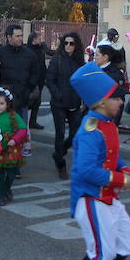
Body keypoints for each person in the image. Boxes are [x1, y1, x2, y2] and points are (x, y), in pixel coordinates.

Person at [63, 61, 130, 260]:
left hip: (107, 195)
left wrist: (126, 169)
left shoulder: (107, 123)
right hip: (90, 197)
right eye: (116, 98)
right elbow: (86, 170)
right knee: (101, 251)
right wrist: (121, 179)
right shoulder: (90, 130)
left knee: (125, 242)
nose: (120, 102)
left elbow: (110, 156)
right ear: (100, 103)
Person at [46, 32, 84, 180]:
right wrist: (58, 95)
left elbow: (83, 81)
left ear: (76, 45)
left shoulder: (80, 61)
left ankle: (58, 153)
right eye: (66, 43)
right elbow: (50, 80)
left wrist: (82, 99)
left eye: (71, 43)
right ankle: (61, 164)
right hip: (59, 104)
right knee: (60, 133)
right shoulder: (57, 60)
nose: (68, 46)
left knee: (75, 134)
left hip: (74, 102)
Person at [0, 25, 38, 157]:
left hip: (23, 99)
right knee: (5, 130)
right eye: (17, 36)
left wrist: (29, 89)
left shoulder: (29, 53)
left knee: (21, 130)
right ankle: (4, 157)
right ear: (9, 37)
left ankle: (17, 159)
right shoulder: (0, 52)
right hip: (5, 101)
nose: (21, 38)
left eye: (21, 36)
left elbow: (36, 73)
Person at [0, 87, 28, 206]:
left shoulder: (13, 115)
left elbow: (23, 129)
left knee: (12, 172)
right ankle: (1, 196)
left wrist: (14, 139)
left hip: (10, 149)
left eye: (1, 103)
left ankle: (6, 188)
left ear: (7, 104)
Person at [93, 44, 126, 126]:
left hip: (106, 118)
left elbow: (119, 100)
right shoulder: (93, 70)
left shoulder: (116, 74)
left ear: (105, 57)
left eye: (97, 55)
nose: (94, 57)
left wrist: (114, 123)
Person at [26, 31, 48, 130]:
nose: (40, 40)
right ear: (34, 40)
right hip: (32, 82)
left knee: (37, 103)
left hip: (40, 81)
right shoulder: (29, 51)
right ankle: (27, 122)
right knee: (30, 103)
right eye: (38, 38)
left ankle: (32, 122)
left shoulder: (39, 50)